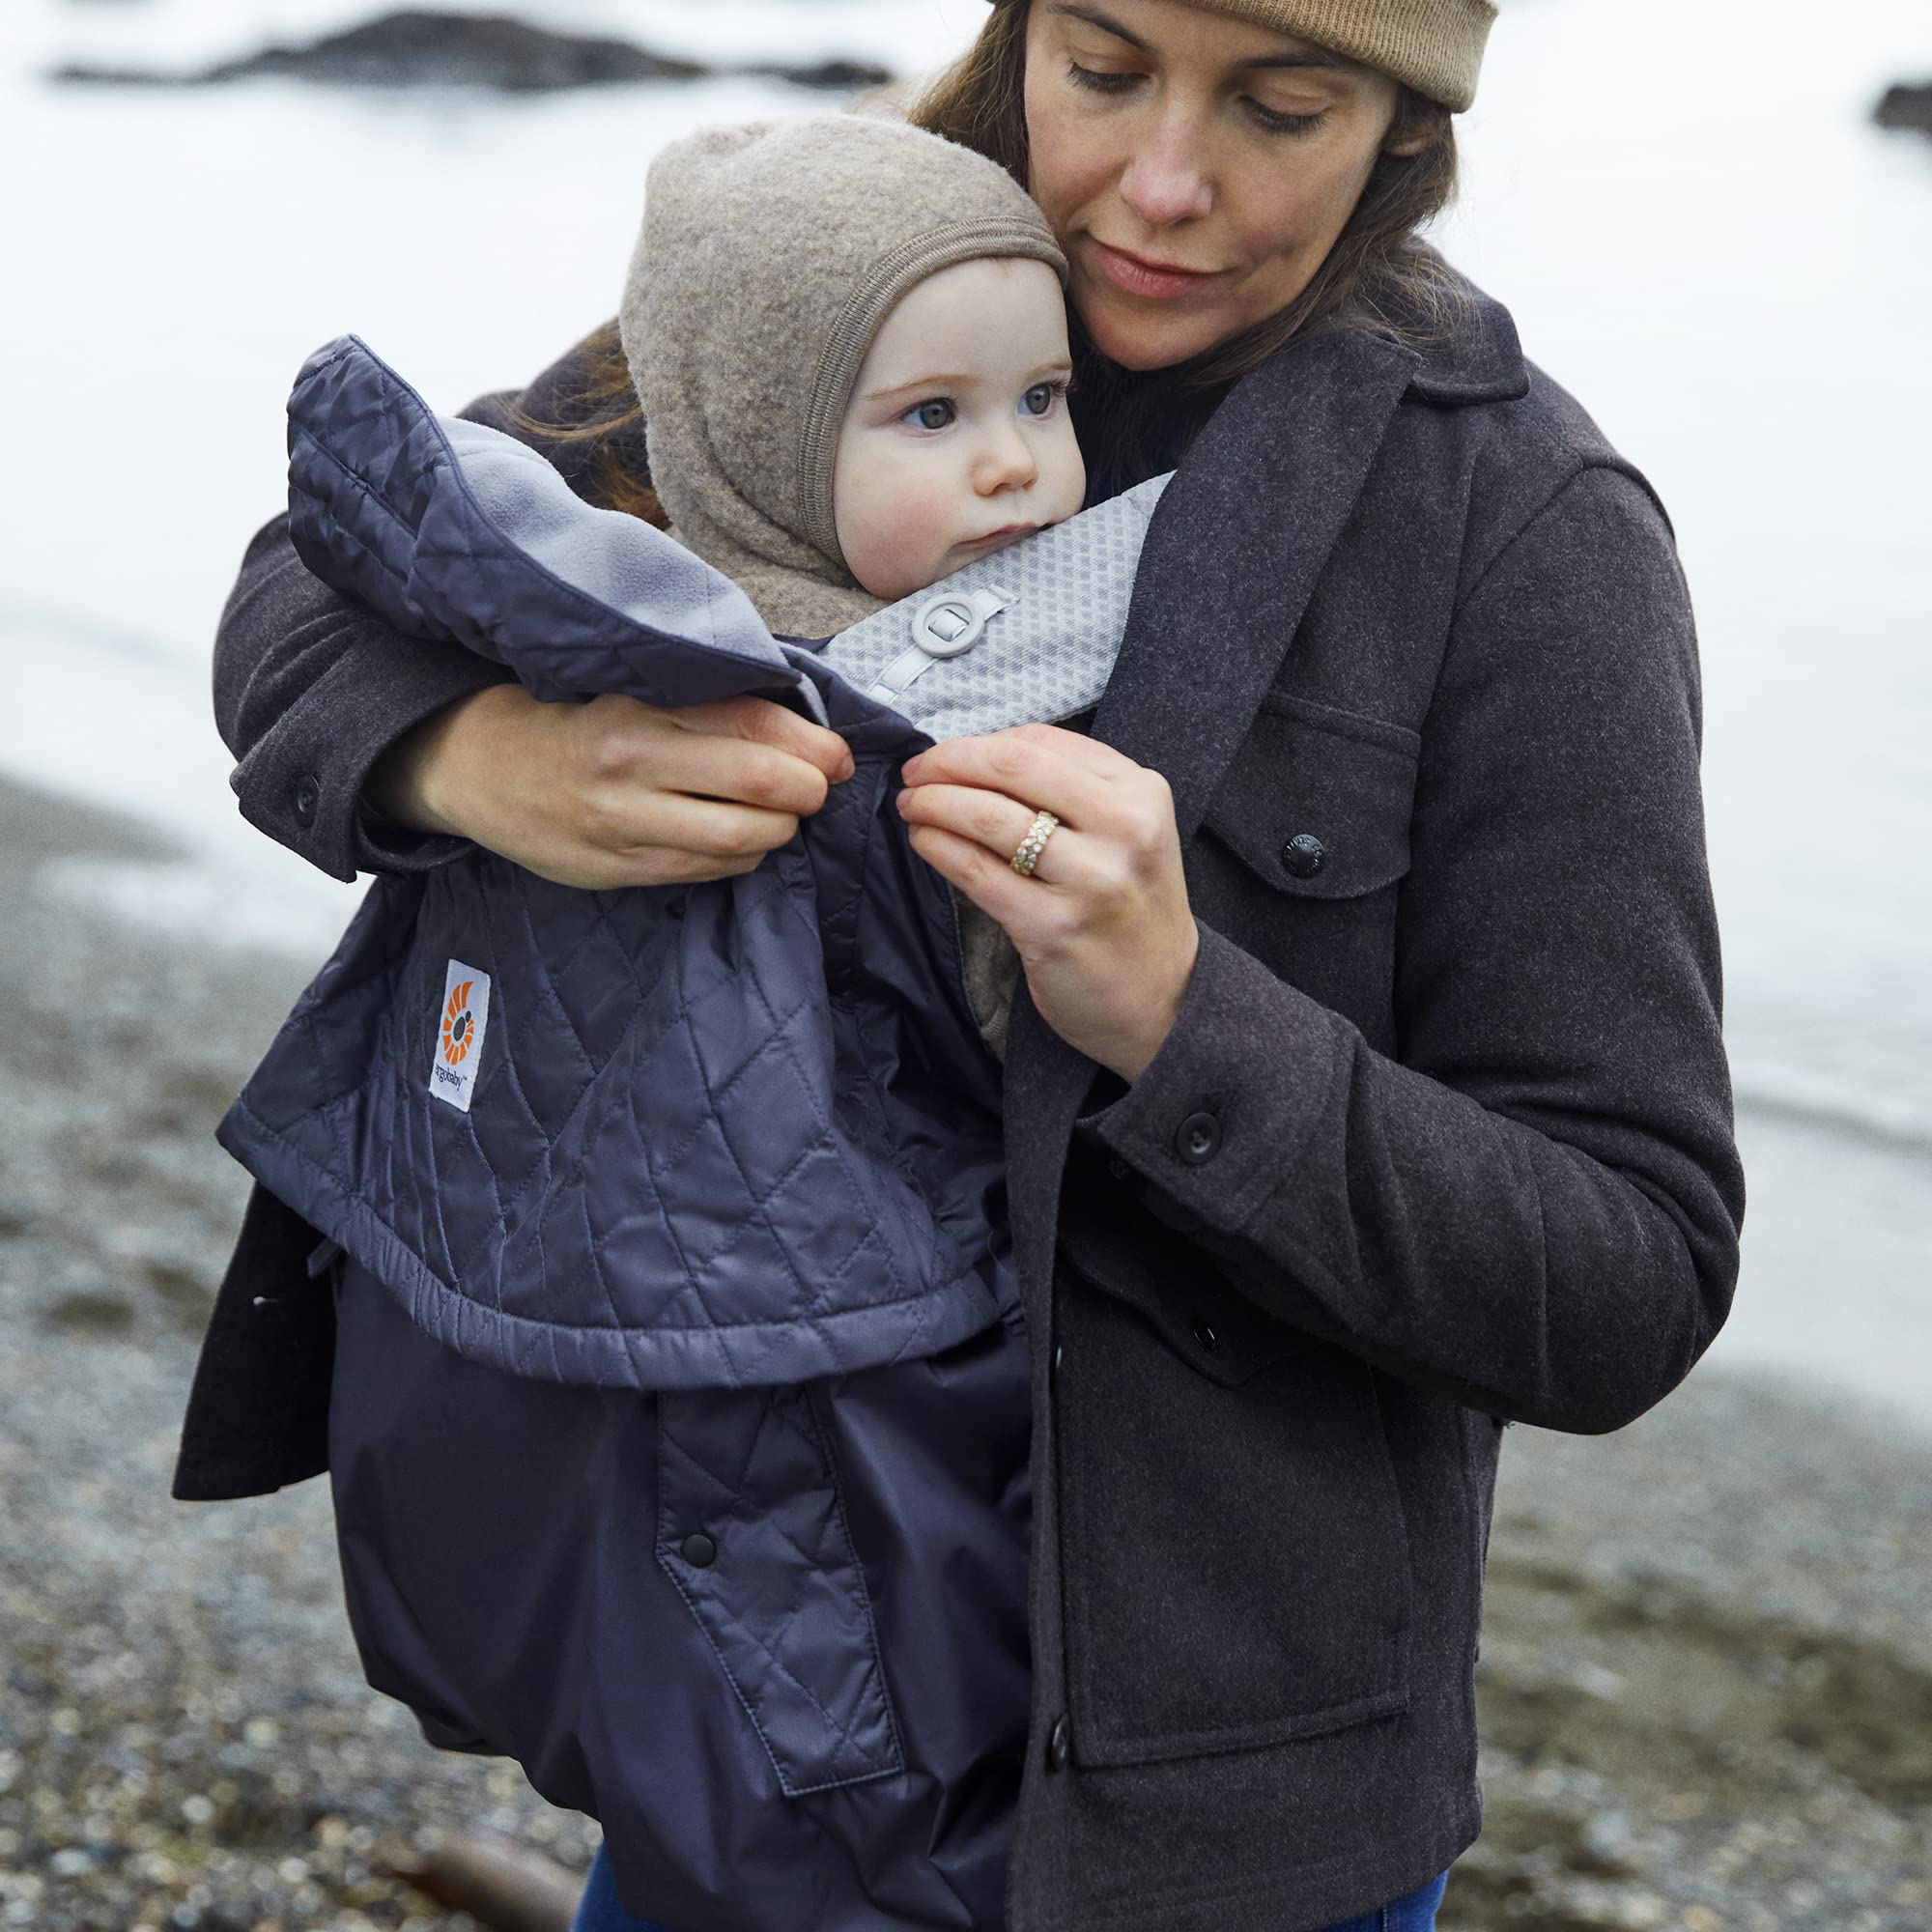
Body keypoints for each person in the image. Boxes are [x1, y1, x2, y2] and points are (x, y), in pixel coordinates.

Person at [180, 2, 1747, 1930]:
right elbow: (324, 575)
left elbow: (1628, 1268)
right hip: (727, 1700)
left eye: (1280, 103)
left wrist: (1186, 1026)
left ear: (1405, 129)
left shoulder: (1523, 532)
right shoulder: (838, 272)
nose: (1160, 185)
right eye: (1099, 69)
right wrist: (473, 758)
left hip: (1223, 1821)